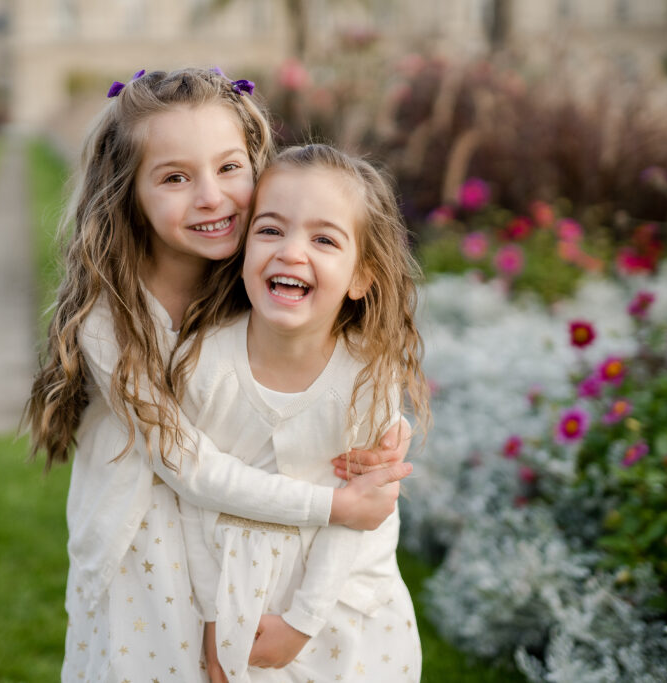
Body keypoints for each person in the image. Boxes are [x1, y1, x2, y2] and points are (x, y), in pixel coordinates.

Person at [23, 68, 413, 683]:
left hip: (248, 537)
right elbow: (189, 467)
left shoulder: (256, 274)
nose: (211, 197)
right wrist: (337, 505)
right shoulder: (112, 317)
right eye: (175, 177)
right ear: (129, 192)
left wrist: (372, 452)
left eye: (230, 168)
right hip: (144, 540)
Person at [173, 144, 429, 682]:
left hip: (332, 601)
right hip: (232, 596)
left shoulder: (365, 379)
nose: (291, 252)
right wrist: (212, 619)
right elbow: (191, 503)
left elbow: (361, 515)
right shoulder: (205, 363)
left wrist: (303, 622)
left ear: (361, 276)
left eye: (323, 239)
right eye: (269, 230)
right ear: (242, 251)